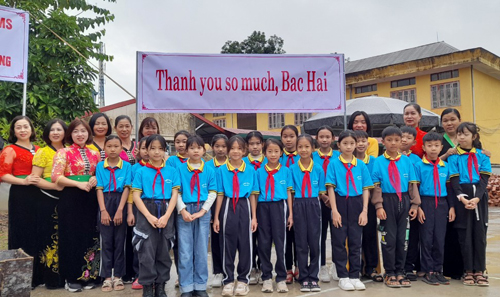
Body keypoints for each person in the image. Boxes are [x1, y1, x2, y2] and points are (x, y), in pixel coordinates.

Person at [51, 119, 101, 292]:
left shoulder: (95, 153)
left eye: (83, 131)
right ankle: (71, 277)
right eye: (76, 131)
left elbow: (98, 173)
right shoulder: (63, 152)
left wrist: (95, 179)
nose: (80, 134)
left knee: (90, 235)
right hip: (71, 197)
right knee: (70, 235)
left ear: (89, 134)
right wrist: (78, 184)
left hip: (91, 197)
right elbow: (55, 177)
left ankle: (89, 275)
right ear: (70, 134)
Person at [371, 126, 420, 288]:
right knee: (388, 239)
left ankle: (400, 271)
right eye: (389, 140)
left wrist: (414, 204)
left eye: (397, 140)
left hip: (404, 200)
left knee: (402, 239)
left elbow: (412, 184)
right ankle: (390, 272)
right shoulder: (378, 161)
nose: (393, 143)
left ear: (401, 141)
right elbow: (376, 185)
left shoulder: (406, 160)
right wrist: (379, 206)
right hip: (387, 201)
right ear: (383, 142)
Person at [132, 134, 179, 297]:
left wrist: (166, 216)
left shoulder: (172, 171)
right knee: (146, 250)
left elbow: (174, 195)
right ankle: (147, 286)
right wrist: (148, 216)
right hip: (146, 210)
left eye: (160, 148)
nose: (156, 152)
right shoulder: (140, 171)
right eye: (152, 148)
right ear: (146, 150)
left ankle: (160, 285)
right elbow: (136, 196)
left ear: (165, 150)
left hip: (166, 209)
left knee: (164, 251)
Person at [326, 130, 373, 291]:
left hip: (357, 203)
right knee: (339, 241)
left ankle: (354, 275)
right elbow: (330, 188)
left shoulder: (360, 165)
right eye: (345, 143)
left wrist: (365, 210)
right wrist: (334, 210)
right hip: (339, 202)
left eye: (352, 143)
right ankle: (343, 276)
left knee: (355, 241)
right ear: (338, 145)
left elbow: (366, 189)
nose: (349, 146)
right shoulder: (333, 163)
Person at [213, 135, 257, 297]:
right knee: (227, 244)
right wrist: (216, 217)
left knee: (245, 244)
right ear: (227, 151)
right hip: (227, 206)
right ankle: (228, 280)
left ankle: (243, 279)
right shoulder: (222, 170)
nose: (236, 151)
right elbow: (219, 194)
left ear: (244, 150)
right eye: (232, 148)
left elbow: (252, 194)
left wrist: (254, 217)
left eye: (239, 148)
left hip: (244, 205)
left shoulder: (251, 169)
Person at [448, 122, 491, 286]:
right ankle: (468, 271)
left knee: (479, 235)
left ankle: (479, 270)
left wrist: (478, 198)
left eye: (465, 134)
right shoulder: (453, 157)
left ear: (474, 137)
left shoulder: (483, 156)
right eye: (459, 134)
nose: (461, 137)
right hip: (462, 197)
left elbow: (484, 179)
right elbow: (454, 180)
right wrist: (462, 198)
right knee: (464, 235)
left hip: (478, 197)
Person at [0, 116, 40, 287]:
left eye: (26, 126)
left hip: (39, 193)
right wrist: (23, 181)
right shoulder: (10, 149)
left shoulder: (39, 149)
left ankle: (38, 276)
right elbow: (3, 174)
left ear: (31, 129)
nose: (23, 130)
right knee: (21, 232)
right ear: (13, 131)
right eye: (18, 127)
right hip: (21, 194)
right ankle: (21, 278)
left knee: (38, 232)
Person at [176, 135, 217, 297]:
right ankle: (186, 286)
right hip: (184, 209)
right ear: (186, 151)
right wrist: (183, 210)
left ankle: (200, 285)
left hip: (203, 210)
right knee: (185, 250)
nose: (195, 151)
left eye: (198, 147)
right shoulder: (179, 169)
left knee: (201, 250)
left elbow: (213, 192)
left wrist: (203, 210)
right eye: (191, 148)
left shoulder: (209, 169)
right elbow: (176, 191)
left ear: (204, 150)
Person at [253, 138, 293, 293]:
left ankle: (281, 277)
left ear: (281, 153)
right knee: (263, 243)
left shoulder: (286, 171)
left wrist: (290, 214)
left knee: (280, 242)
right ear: (264, 153)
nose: (273, 154)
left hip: (280, 206)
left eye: (276, 151)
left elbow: (289, 192)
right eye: (270, 151)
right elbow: (255, 195)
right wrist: (254, 216)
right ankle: (267, 277)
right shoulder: (258, 172)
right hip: (263, 207)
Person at [31, 119, 67, 289]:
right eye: (52, 130)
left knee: (65, 237)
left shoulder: (70, 151)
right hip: (47, 199)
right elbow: (35, 179)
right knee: (49, 238)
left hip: (67, 199)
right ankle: (51, 279)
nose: (55, 132)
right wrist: (55, 186)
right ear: (47, 133)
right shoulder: (42, 152)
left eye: (59, 129)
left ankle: (67, 275)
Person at [415, 132, 455, 285]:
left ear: (441, 147)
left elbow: (450, 188)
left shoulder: (445, 166)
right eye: (429, 145)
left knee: (439, 238)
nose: (433, 149)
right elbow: (416, 188)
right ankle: (428, 270)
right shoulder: (419, 166)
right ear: (424, 147)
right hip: (426, 202)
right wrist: (418, 207)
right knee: (426, 238)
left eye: (436, 146)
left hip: (442, 204)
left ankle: (438, 270)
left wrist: (451, 207)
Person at [290, 134, 326, 292]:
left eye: (306, 146)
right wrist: (291, 213)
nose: (303, 150)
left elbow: (321, 191)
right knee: (301, 242)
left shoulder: (318, 168)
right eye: (300, 147)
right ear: (296, 149)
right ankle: (304, 277)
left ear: (313, 148)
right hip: (298, 204)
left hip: (313, 204)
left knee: (314, 242)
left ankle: (314, 277)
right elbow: (290, 193)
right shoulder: (291, 169)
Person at [96, 135, 132, 292]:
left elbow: (126, 188)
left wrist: (120, 210)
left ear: (121, 148)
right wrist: (103, 210)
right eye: (109, 146)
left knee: (120, 240)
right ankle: (106, 277)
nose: (112, 149)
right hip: (105, 200)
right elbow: (99, 188)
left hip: (120, 202)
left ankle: (118, 276)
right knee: (106, 241)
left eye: (116, 146)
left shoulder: (127, 166)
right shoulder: (99, 166)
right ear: (104, 148)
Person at [311, 125, 339, 282]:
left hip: (337, 201)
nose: (324, 139)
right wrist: (323, 196)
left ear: (333, 139)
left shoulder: (339, 156)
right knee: (319, 234)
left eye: (327, 136)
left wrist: (332, 197)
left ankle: (336, 264)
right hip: (318, 201)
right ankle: (321, 266)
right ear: (316, 139)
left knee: (337, 234)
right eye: (321, 137)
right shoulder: (312, 156)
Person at [353, 130, 382, 282]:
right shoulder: (347, 161)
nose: (361, 144)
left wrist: (377, 205)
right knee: (354, 237)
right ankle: (354, 268)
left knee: (370, 236)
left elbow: (376, 183)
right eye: (357, 141)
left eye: (364, 140)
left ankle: (371, 268)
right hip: (351, 202)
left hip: (369, 203)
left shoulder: (373, 161)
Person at [205, 134, 229, 288]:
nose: (220, 149)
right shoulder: (207, 166)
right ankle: (218, 271)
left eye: (224, 146)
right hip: (214, 204)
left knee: (232, 240)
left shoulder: (233, 164)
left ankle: (230, 271)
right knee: (216, 238)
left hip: (231, 203)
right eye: (217, 146)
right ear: (212, 147)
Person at [243, 131, 266, 284]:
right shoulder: (243, 162)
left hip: (265, 204)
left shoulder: (271, 160)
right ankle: (251, 267)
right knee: (249, 237)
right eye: (252, 144)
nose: (255, 147)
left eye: (258, 143)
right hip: (246, 205)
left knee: (264, 238)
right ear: (247, 146)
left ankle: (263, 266)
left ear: (262, 144)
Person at [400, 125, 422, 280]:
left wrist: (417, 204)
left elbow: (418, 183)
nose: (404, 140)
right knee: (398, 236)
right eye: (402, 136)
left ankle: (409, 267)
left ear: (414, 142)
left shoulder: (416, 160)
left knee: (412, 236)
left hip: (412, 201)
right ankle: (398, 266)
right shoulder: (388, 158)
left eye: (408, 138)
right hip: (395, 201)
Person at [279, 125, 299, 283]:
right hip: (283, 202)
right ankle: (287, 268)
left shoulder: (304, 155)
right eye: (285, 136)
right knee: (286, 236)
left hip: (300, 201)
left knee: (300, 236)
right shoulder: (277, 156)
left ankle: (299, 266)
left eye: (291, 136)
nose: (288, 139)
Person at [128, 137, 149, 290]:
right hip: (138, 208)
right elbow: (130, 192)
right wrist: (130, 211)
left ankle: (154, 275)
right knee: (139, 241)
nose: (148, 152)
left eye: (153, 148)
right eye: (144, 148)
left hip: (157, 208)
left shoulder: (164, 168)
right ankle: (139, 274)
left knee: (156, 244)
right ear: (138, 151)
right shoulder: (134, 168)